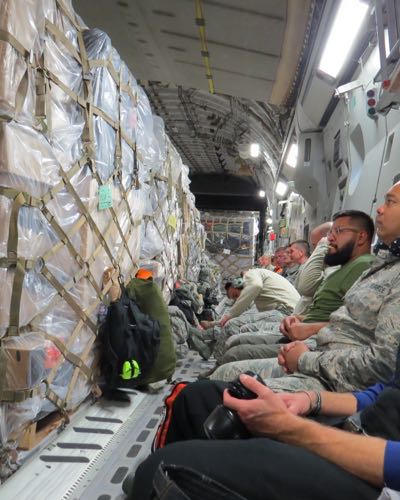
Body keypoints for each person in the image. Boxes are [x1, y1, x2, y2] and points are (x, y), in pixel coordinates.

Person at [205, 181, 400, 392]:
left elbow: (383, 363)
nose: (380, 208)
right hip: (317, 347)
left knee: (231, 356)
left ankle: (206, 352)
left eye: (390, 202)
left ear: (361, 237)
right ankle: (206, 349)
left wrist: (305, 357)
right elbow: (341, 318)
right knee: (233, 349)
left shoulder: (367, 265)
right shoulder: (377, 267)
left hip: (331, 370)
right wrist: (302, 322)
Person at [129, 373, 400, 500]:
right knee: (199, 398)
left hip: (386, 479)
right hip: (363, 432)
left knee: (165, 471)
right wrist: (307, 401)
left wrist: (288, 428)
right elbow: (383, 392)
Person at [217, 211, 374, 368]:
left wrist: (321, 248)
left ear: (361, 237)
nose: (330, 239)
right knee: (238, 341)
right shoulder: (341, 268)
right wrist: (300, 319)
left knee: (236, 349)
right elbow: (323, 308)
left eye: (337, 232)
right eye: (328, 235)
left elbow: (358, 325)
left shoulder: (363, 266)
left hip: (318, 343)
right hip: (302, 328)